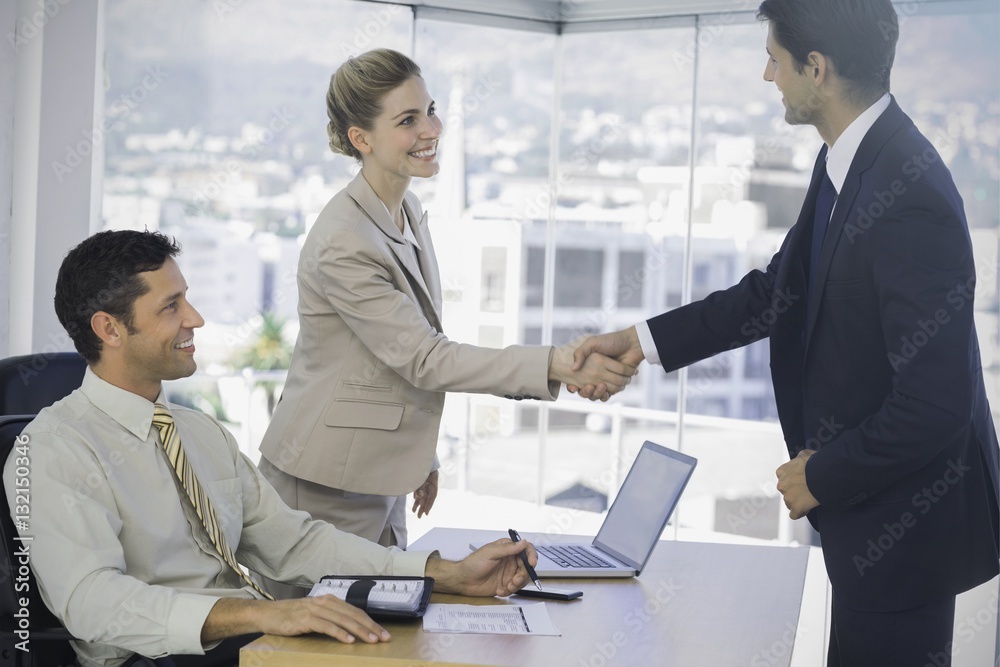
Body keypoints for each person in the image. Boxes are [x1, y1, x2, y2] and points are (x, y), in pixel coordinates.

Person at [570, 2, 1000, 665]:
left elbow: (936, 405)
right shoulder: (848, 160)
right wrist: (644, 340)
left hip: (905, 535)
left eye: (775, 58)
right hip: (869, 526)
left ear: (817, 69)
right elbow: (778, 293)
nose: (767, 74)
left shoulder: (906, 192)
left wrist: (821, 474)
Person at [3, 229, 539, 667]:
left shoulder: (199, 432)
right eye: (171, 306)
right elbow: (91, 603)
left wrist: (448, 571)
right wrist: (263, 615)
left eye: (186, 298)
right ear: (110, 329)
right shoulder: (51, 451)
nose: (195, 318)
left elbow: (296, 543)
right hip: (154, 658)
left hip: (251, 645)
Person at [257, 48, 634, 557]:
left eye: (429, 111)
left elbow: (385, 357)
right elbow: (425, 357)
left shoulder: (406, 209)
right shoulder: (344, 240)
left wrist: (419, 458)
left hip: (375, 469)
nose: (430, 129)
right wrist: (555, 363)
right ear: (360, 138)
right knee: (324, 629)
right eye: (408, 120)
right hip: (325, 480)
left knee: (383, 623)